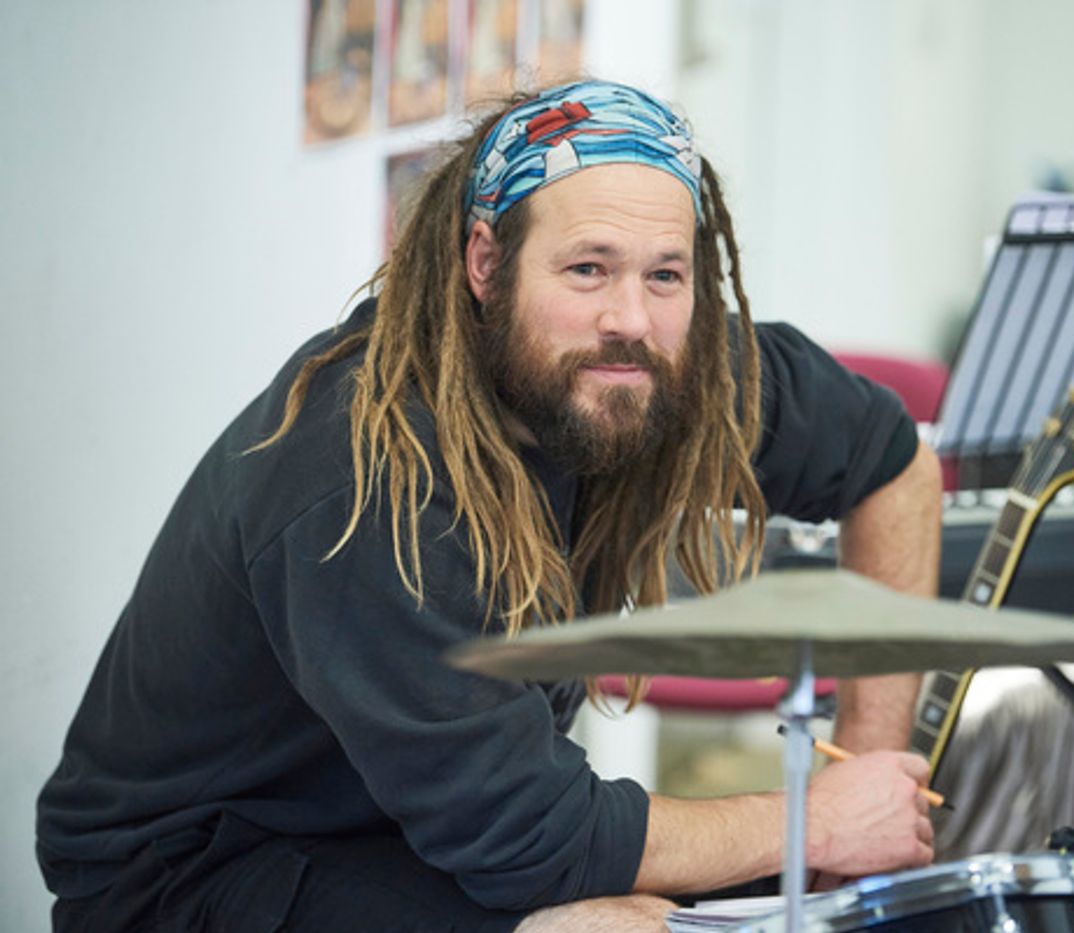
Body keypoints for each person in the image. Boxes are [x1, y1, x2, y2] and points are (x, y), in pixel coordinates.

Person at [36, 80, 944, 932]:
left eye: (665, 274)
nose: (630, 318)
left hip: (414, 819)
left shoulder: (649, 368)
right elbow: (536, 840)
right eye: (587, 269)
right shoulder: (369, 475)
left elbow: (891, 463)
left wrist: (865, 765)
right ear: (485, 261)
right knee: (619, 918)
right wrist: (816, 820)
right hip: (198, 869)